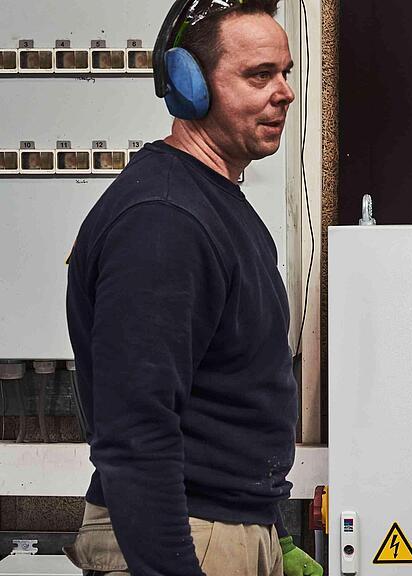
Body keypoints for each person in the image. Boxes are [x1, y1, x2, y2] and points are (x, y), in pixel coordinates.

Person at [64, 1, 321, 574]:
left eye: (285, 73)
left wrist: (270, 534)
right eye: (259, 75)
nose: (284, 92)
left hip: (224, 529)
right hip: (182, 535)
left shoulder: (214, 203)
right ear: (189, 86)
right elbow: (134, 428)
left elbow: (228, 400)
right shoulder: (165, 220)